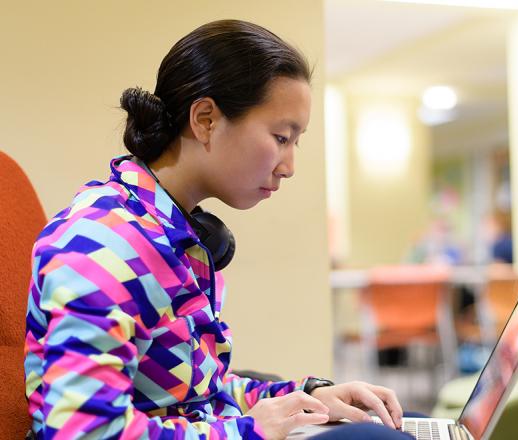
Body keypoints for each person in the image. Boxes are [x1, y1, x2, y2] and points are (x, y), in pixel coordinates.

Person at [23, 20, 409, 439]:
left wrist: (310, 397)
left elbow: (196, 397)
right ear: (205, 119)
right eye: (281, 137)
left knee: (380, 423)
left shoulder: (174, 234)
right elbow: (83, 432)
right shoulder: (103, 243)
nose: (290, 166)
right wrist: (244, 433)